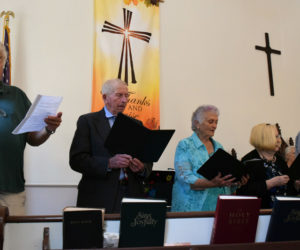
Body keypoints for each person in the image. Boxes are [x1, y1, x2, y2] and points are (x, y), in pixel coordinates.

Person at [69, 79, 153, 213]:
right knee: (97, 235)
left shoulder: (136, 124)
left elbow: (148, 162)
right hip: (98, 197)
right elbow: (76, 160)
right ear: (104, 97)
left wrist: (142, 168)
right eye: (119, 95)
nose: (125, 100)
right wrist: (108, 163)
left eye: (127, 96)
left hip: (131, 195)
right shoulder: (88, 122)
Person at [0, 42, 62, 215]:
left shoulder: (17, 96)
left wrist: (48, 129)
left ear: (4, 63)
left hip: (11, 189)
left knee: (12, 240)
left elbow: (33, 138)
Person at [171, 105, 247, 212]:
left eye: (216, 122)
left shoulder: (219, 147)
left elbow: (224, 181)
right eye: (211, 122)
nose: (215, 126)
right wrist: (212, 183)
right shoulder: (185, 145)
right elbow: (185, 179)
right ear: (197, 123)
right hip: (192, 210)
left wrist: (235, 181)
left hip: (219, 208)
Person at [236, 123, 300, 208]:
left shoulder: (280, 160)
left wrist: (296, 186)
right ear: (262, 139)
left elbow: (289, 189)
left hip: (282, 211)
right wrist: (270, 183)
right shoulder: (249, 162)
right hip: (260, 213)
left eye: (278, 136)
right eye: (275, 137)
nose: (279, 140)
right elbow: (243, 192)